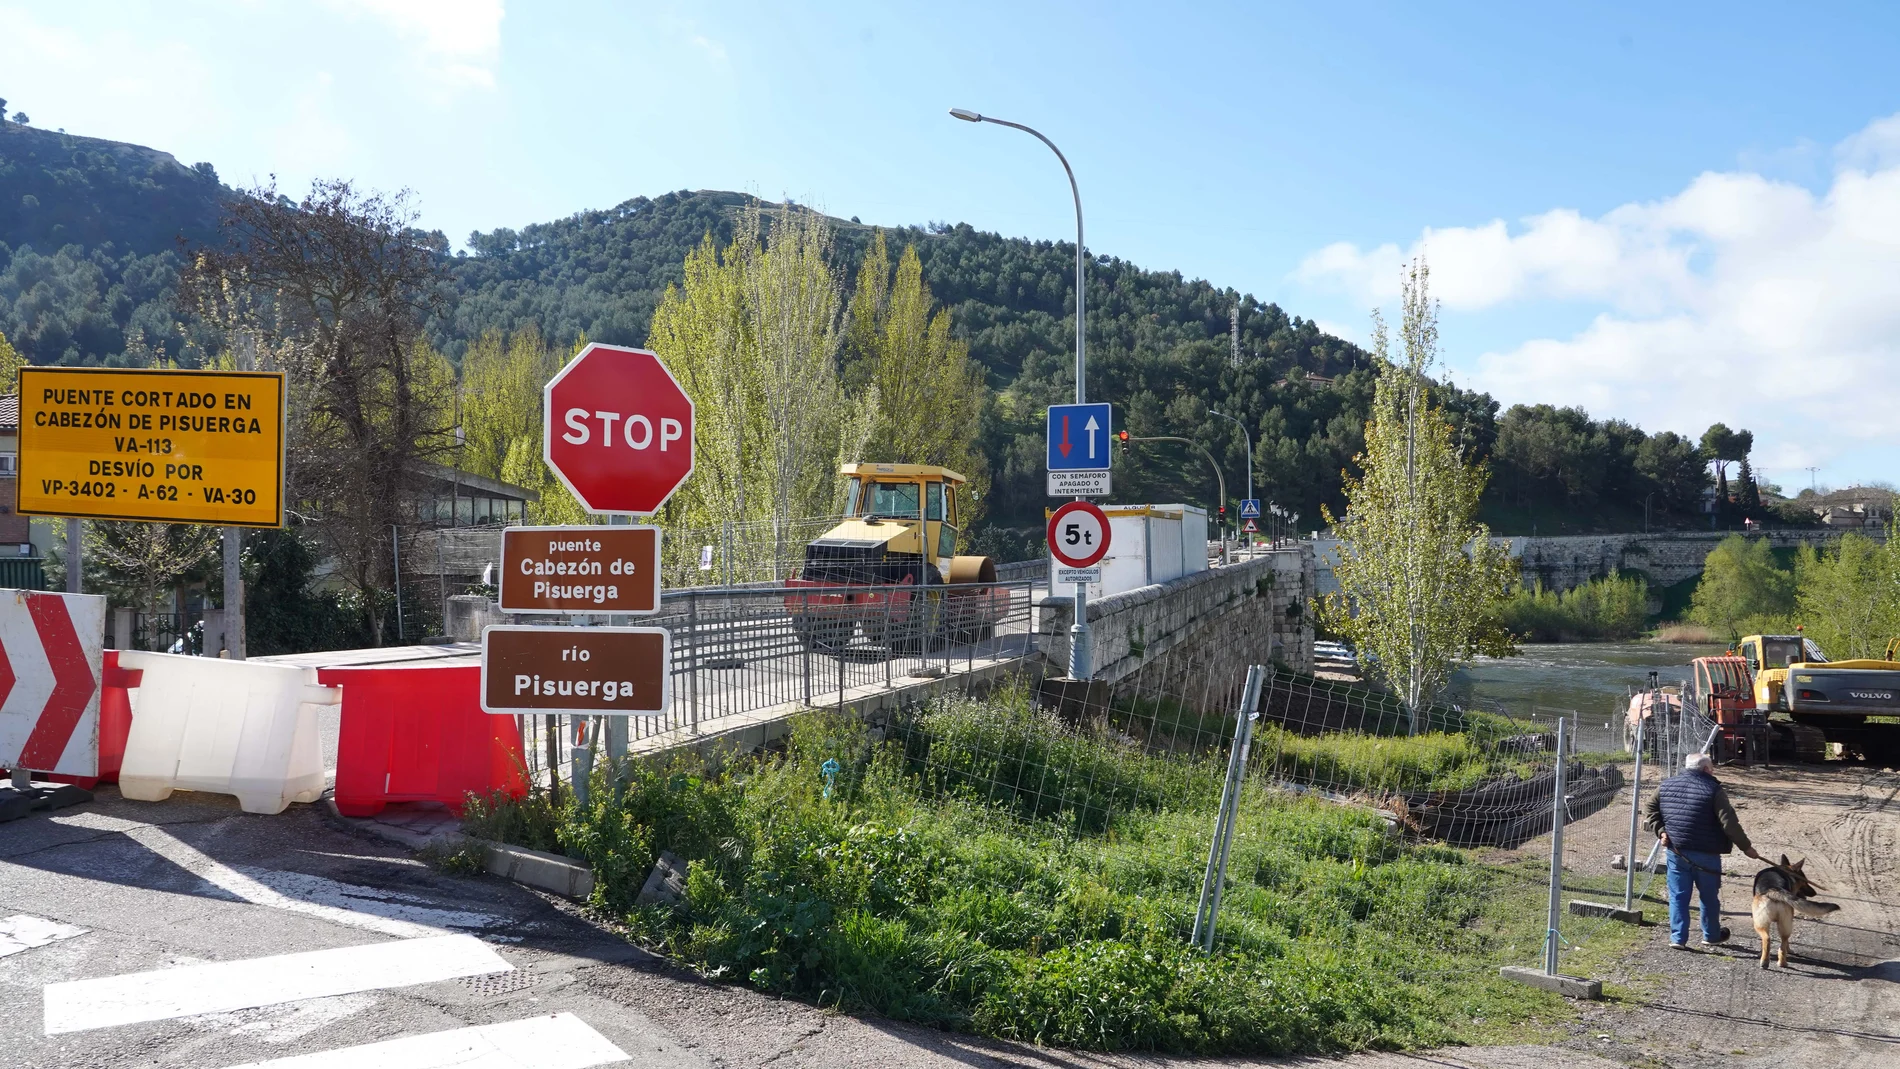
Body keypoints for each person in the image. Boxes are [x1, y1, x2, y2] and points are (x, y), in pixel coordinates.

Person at [1644, 752, 1762, 950]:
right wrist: (1746, 847)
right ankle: (1711, 935)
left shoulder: (1665, 786)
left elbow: (1650, 809)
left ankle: (1677, 938)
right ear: (1706, 769)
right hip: (1706, 854)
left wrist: (1661, 830)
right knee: (1708, 896)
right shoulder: (1713, 789)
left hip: (1677, 851)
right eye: (1712, 767)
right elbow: (1729, 823)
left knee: (1678, 896)